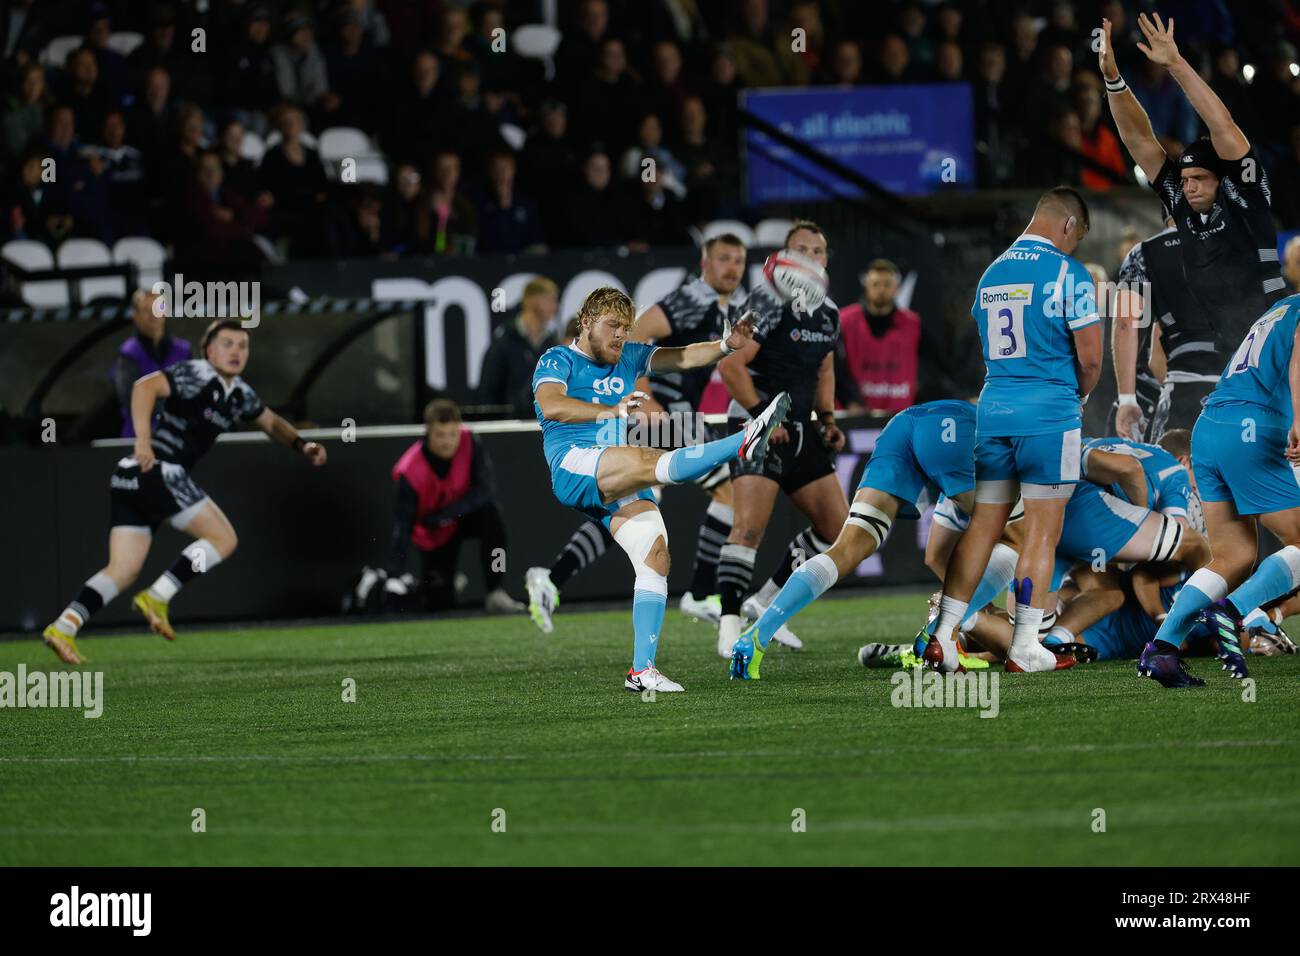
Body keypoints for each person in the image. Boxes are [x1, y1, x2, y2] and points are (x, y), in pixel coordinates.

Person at [531, 287, 789, 692]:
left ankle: (641, 671)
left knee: (656, 555)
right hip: (574, 463)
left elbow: (682, 356)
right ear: (585, 323)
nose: (619, 335)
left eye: (624, 328)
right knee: (650, 460)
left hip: (614, 471)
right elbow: (551, 405)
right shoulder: (557, 359)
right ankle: (742, 441)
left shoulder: (628, 356)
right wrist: (610, 411)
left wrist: (724, 345)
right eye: (611, 326)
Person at [41, 320, 328, 665]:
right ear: (209, 350)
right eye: (227, 344)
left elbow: (270, 422)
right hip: (158, 470)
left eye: (243, 345)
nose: (236, 351)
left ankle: (64, 626)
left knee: (122, 569)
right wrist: (143, 442)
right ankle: (159, 595)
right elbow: (144, 388)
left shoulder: (239, 393)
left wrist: (301, 444)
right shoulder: (198, 373)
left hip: (132, 478)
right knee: (223, 540)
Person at [526, 233, 754, 634]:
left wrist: (724, 345)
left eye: (739, 259)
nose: (733, 267)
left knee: (636, 515)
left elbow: (678, 356)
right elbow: (639, 335)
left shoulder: (720, 308)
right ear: (705, 262)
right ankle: (701, 592)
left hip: (639, 427)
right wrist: (641, 404)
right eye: (724, 258)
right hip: (664, 419)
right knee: (724, 492)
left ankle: (553, 578)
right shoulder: (692, 297)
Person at [928, 187, 1102, 674]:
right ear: (1069, 226)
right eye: (1078, 238)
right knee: (1042, 534)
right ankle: (1026, 645)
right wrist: (1080, 396)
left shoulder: (991, 273)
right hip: (1048, 414)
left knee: (983, 525)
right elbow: (1089, 358)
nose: (1075, 247)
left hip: (994, 410)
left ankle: (942, 635)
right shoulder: (1069, 273)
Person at [731, 399, 975, 681]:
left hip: (906, 422)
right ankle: (935, 640)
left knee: (847, 549)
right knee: (1006, 535)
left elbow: (935, 556)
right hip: (960, 428)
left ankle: (757, 634)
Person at [1102, 14, 1286, 378]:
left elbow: (1223, 125)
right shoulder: (1181, 200)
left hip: (1272, 333)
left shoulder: (1245, 195)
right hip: (1224, 349)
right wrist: (1113, 80)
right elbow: (1139, 140)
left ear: (1222, 179)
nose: (1189, 186)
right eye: (1185, 179)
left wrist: (1176, 64)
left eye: (1200, 177)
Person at [1138, 292, 1300, 687]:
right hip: (1252, 426)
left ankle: (1162, 650)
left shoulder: (1282, 307)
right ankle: (1235, 610)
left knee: (1234, 554)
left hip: (1210, 427)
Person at [715, 220, 848, 657]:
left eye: (818, 250)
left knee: (838, 528)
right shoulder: (765, 303)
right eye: (802, 250)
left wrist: (826, 419)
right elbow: (730, 367)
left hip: (799, 427)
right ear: (785, 260)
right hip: (756, 424)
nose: (812, 257)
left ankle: (767, 599)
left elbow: (824, 369)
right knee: (748, 527)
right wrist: (763, 418)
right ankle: (729, 625)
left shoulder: (829, 311)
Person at [384, 399, 523, 614]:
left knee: (491, 516)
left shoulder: (470, 441)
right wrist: (393, 574)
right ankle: (448, 581)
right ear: (427, 432)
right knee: (439, 603)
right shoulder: (409, 471)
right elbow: (402, 526)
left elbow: (485, 490)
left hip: (460, 516)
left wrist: (448, 514)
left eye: (452, 434)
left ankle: (495, 590)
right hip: (433, 534)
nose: (447, 442)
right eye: (440, 435)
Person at [838, 259, 922, 413]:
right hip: (855, 416)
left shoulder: (913, 324)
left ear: (897, 288)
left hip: (899, 416)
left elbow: (932, 369)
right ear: (866, 286)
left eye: (887, 284)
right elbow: (834, 367)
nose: (881, 289)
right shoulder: (844, 321)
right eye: (876, 284)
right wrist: (850, 399)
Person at [111, 290, 191, 437]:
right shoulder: (128, 354)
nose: (153, 316)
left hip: (180, 440)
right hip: (139, 441)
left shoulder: (184, 351)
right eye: (146, 310)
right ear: (135, 316)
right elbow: (132, 399)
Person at [477, 277, 561, 418]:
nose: (555, 306)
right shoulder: (503, 343)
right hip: (509, 427)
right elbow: (487, 393)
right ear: (532, 300)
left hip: (545, 427)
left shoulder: (552, 344)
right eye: (550, 300)